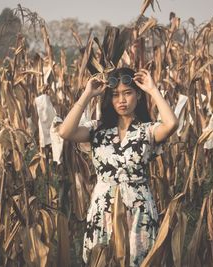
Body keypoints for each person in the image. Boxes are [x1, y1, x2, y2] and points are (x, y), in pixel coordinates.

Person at [58, 67, 178, 266]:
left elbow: (172, 124)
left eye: (127, 93)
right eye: (115, 95)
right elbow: (65, 131)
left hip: (139, 212)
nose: (121, 100)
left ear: (137, 95)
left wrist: (153, 89)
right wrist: (87, 94)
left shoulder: (147, 131)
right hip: (103, 209)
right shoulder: (97, 130)